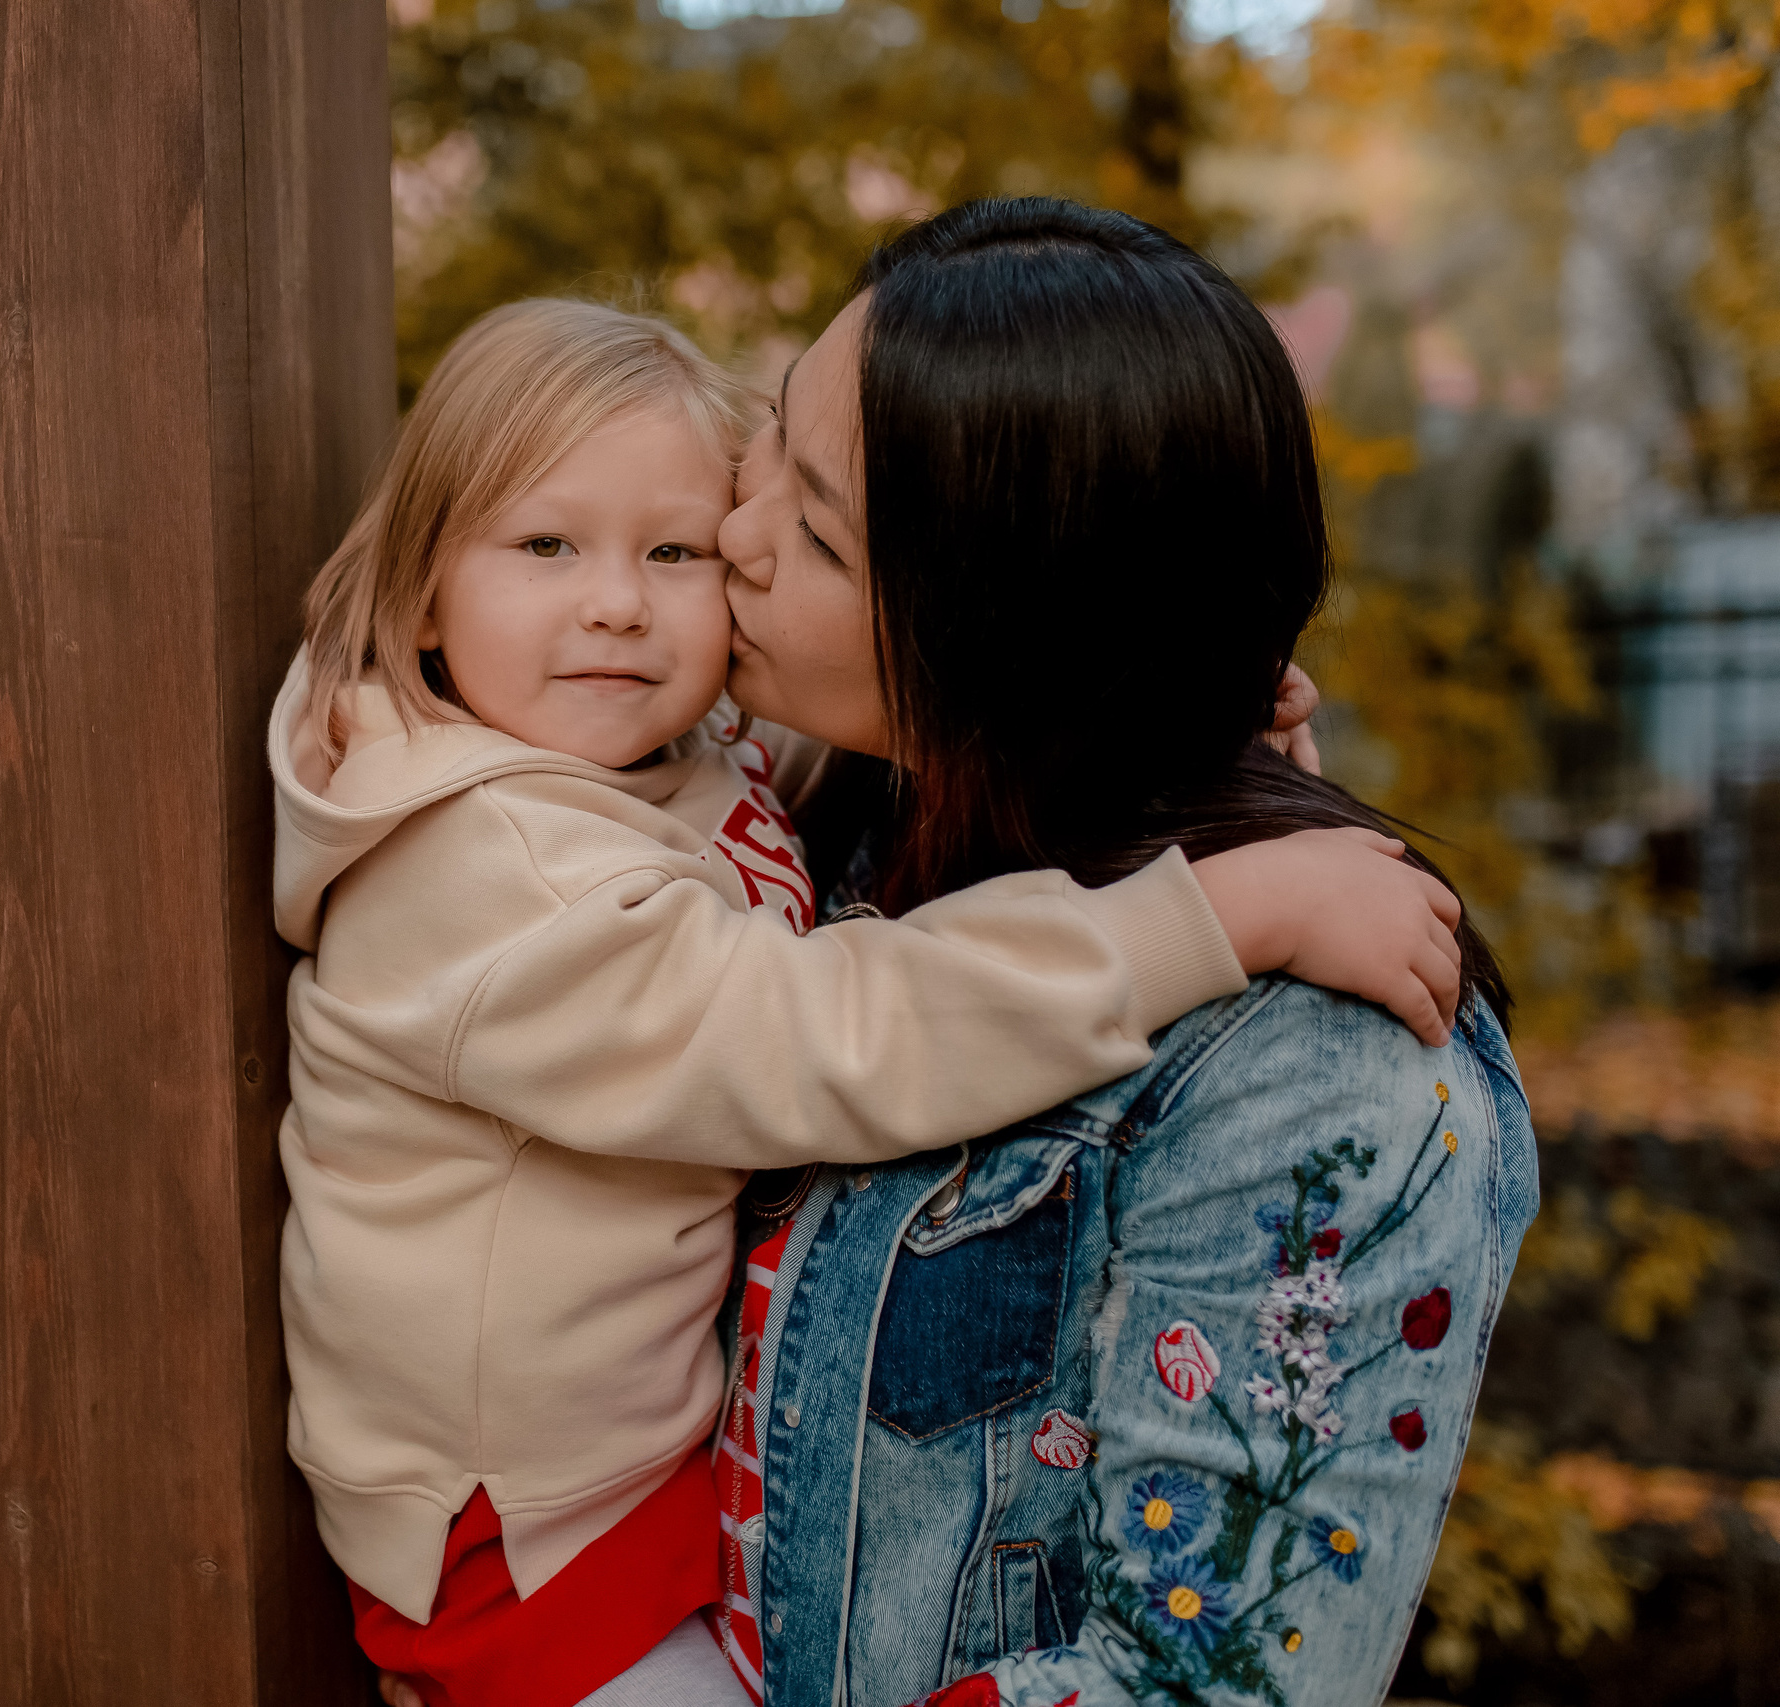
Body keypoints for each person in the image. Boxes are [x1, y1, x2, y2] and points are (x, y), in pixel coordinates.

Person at [270, 296, 1466, 1707]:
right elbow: (830, 1030)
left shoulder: (623, 752)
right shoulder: (491, 872)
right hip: (525, 1545)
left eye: (676, 549)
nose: (617, 601)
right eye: (546, 547)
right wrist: (1216, 913)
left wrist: (1141, 704)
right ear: (419, 594)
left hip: (627, 1479)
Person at [714, 199, 1538, 1707]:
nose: (735, 533)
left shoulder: (1322, 1080)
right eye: (768, 441)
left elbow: (1196, 1685)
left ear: (1013, 647)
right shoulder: (821, 825)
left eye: (820, 535)